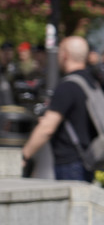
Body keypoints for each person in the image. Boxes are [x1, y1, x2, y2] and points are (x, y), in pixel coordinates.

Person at [20, 37, 98, 181]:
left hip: (70, 163)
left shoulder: (67, 86)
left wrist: (25, 155)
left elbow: (47, 128)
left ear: (65, 55)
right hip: (87, 159)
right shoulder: (91, 83)